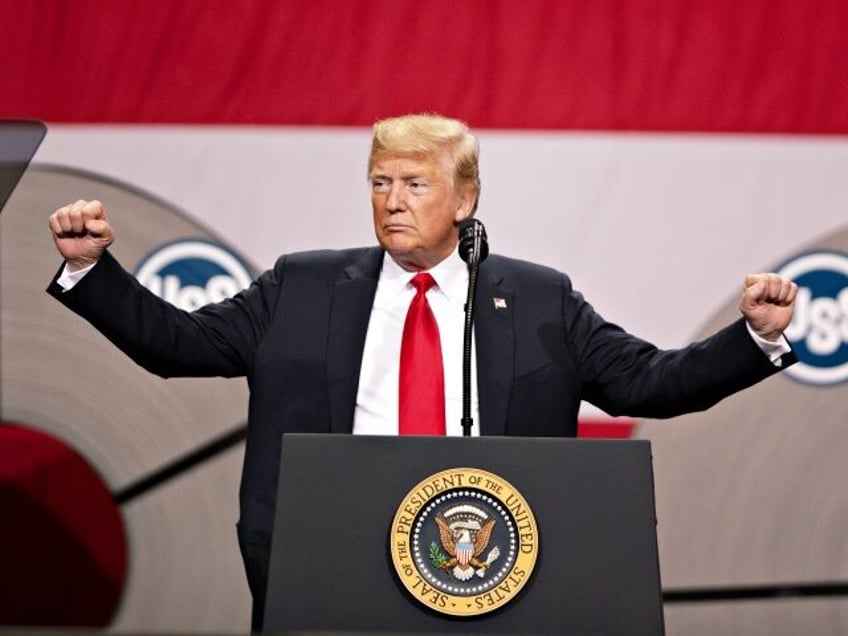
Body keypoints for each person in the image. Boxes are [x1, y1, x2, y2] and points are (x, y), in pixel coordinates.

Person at [47, 113, 797, 628]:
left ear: (466, 198)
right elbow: (177, 345)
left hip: (490, 570)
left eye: (414, 184)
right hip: (327, 562)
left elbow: (649, 383)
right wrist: (94, 270)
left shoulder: (539, 299)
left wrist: (752, 338)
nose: (393, 202)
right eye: (380, 183)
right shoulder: (301, 287)